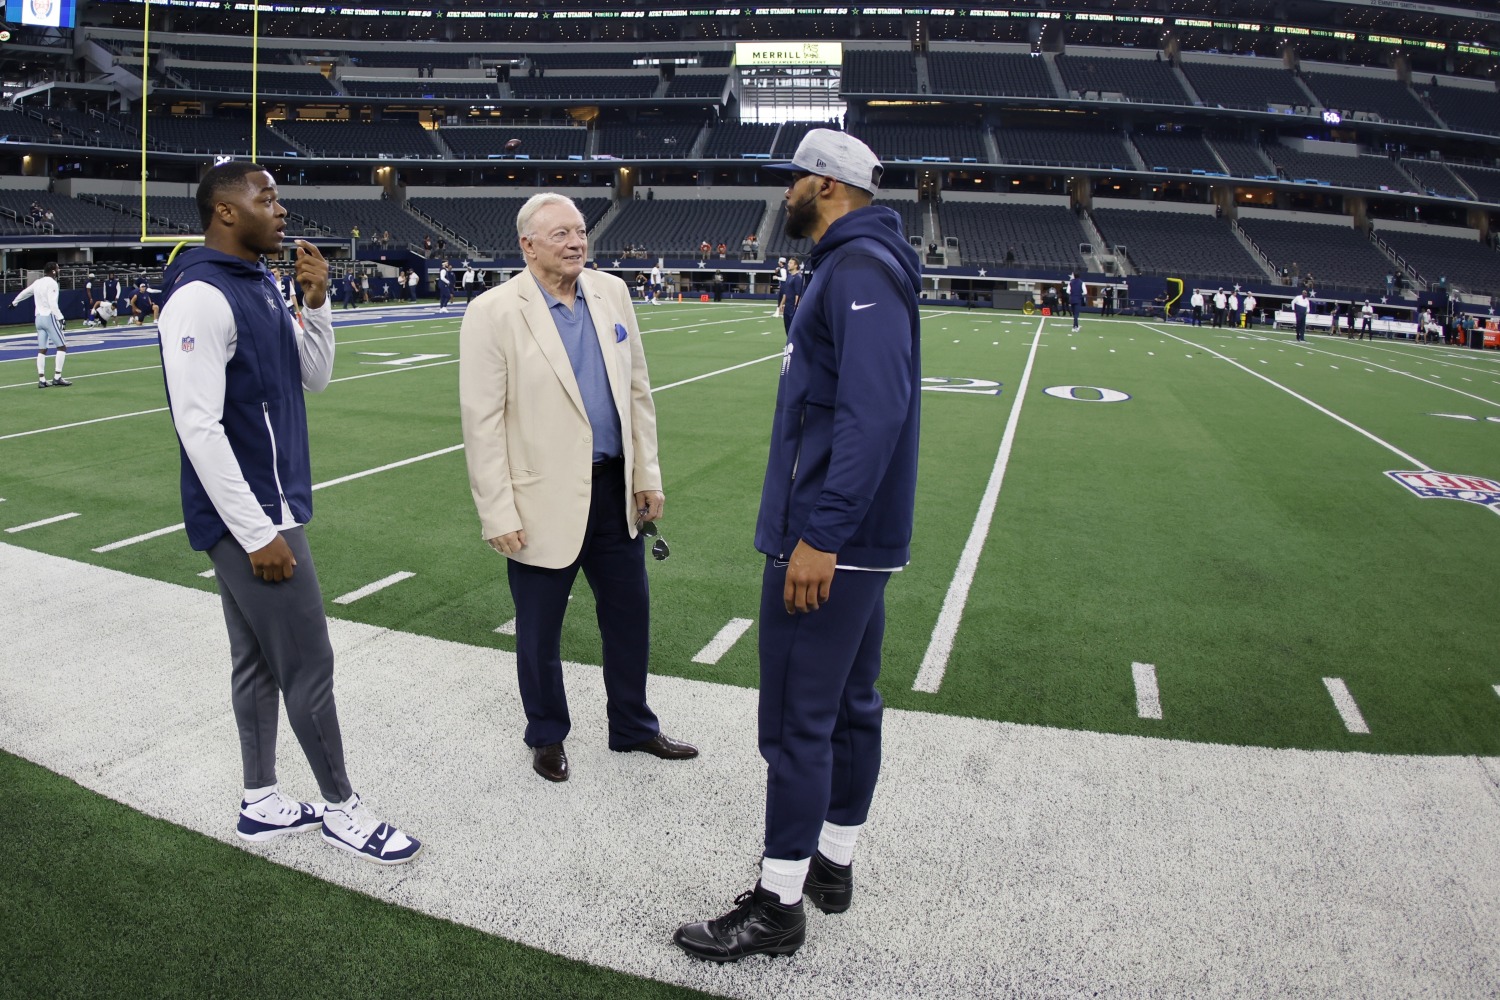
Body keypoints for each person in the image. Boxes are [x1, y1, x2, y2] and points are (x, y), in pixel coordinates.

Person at [674, 128, 922, 963]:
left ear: (825, 185)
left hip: (829, 539)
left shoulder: (855, 271)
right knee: (850, 708)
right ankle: (832, 865)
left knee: (796, 724)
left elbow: (872, 413)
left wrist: (821, 533)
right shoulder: (847, 266)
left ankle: (777, 908)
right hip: (854, 539)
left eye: (795, 180)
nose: (785, 193)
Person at [155, 161, 421, 865]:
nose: (279, 208)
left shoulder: (260, 283)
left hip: (267, 508)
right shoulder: (202, 296)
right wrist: (257, 532)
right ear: (223, 212)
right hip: (255, 517)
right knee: (309, 663)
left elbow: (315, 376)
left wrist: (318, 300)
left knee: (257, 663)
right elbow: (198, 426)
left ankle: (261, 800)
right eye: (264, 196)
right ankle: (343, 809)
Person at [458, 192, 697, 785]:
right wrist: (497, 512)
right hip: (540, 501)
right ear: (527, 245)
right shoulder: (493, 311)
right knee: (539, 628)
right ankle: (546, 733)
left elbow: (637, 391)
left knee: (629, 615)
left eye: (581, 231)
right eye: (560, 233)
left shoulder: (611, 292)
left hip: (614, 489)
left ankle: (633, 725)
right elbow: (481, 423)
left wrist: (648, 476)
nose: (576, 242)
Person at [13, 262, 71, 389]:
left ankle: (42, 379)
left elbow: (25, 292)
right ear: (53, 271)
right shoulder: (52, 283)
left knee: (42, 349)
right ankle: (57, 377)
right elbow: (52, 303)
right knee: (62, 347)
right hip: (48, 317)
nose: (59, 270)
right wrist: (60, 317)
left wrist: (14, 302)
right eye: (58, 268)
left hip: (38, 318)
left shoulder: (38, 282)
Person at [778, 257, 804, 333]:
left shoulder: (798, 277)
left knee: (793, 328)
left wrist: (796, 307)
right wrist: (781, 304)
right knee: (787, 327)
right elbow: (786, 292)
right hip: (787, 306)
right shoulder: (789, 277)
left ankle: (794, 344)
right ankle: (789, 343)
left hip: (793, 307)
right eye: (788, 262)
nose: (788, 264)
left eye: (790, 263)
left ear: (796, 265)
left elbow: (797, 294)